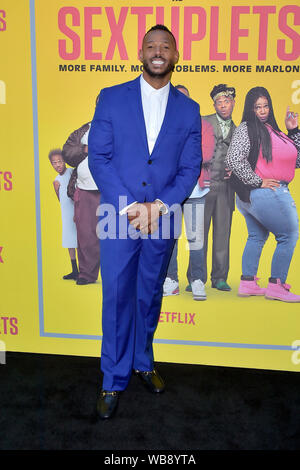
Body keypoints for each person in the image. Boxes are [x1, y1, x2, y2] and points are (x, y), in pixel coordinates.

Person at [88, 24, 202, 419]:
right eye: (151, 46)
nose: (158, 52)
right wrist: (130, 206)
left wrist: (160, 207)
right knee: (117, 297)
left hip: (163, 217)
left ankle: (142, 361)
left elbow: (189, 169)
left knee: (150, 294)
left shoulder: (189, 110)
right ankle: (111, 378)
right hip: (117, 215)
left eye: (165, 47)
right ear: (141, 53)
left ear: (175, 55)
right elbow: (98, 158)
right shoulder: (111, 98)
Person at [225, 86, 300, 302]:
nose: (263, 110)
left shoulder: (273, 131)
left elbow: (297, 161)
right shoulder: (247, 128)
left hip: (256, 196)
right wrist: (257, 181)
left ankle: (248, 283)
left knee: (257, 236)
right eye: (257, 107)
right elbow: (233, 159)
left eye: (266, 105)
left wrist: (293, 131)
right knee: (288, 236)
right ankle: (277, 285)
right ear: (250, 109)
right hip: (264, 193)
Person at [163, 85, 215, 300]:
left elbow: (205, 154)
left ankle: (197, 280)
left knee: (196, 239)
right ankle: (171, 280)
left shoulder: (204, 126)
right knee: (169, 239)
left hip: (195, 193)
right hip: (170, 192)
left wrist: (174, 157)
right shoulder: (163, 125)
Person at [199, 84, 236, 293]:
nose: (223, 106)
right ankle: (197, 276)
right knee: (199, 233)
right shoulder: (204, 122)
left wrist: (236, 172)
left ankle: (220, 277)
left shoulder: (240, 130)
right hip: (204, 185)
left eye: (226, 102)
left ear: (233, 103)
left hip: (225, 188)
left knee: (222, 233)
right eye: (219, 103)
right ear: (214, 105)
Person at [62, 106, 100, 286]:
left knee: (119, 235)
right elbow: (68, 153)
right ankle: (86, 273)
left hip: (112, 190)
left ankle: (117, 274)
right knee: (85, 234)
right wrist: (86, 149)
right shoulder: (84, 130)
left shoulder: (123, 127)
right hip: (85, 190)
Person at [49, 149, 78, 280]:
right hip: (67, 214)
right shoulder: (56, 181)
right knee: (69, 241)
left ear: (64, 161)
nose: (58, 165)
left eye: (59, 161)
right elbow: (61, 199)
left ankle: (84, 270)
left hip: (77, 211)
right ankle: (74, 270)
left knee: (80, 241)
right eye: (54, 163)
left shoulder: (72, 172)